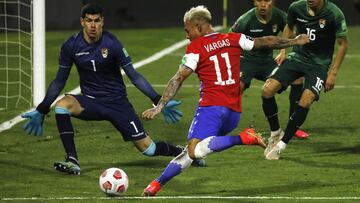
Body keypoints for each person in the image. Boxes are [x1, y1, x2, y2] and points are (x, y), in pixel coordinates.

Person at [141, 5, 309, 196]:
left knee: (195, 150)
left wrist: (159, 106)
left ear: (199, 27)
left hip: (211, 108)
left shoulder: (195, 47)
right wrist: (294, 41)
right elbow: (266, 42)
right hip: (233, 112)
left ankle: (245, 137)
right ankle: (156, 184)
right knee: (193, 150)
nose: (187, 35)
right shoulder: (232, 39)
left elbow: (178, 78)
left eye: (187, 30)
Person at [21, 3, 195, 175]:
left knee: (148, 149)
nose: (93, 25)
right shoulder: (71, 45)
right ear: (82, 22)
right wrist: (42, 109)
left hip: (117, 103)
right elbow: (59, 81)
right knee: (62, 105)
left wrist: (158, 100)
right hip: (91, 102)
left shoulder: (112, 44)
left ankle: (187, 154)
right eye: (89, 21)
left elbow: (134, 76)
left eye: (97, 20)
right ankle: (72, 160)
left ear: (102, 21)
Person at [263, 0, 348, 160]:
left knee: (306, 100)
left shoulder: (334, 14)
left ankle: (281, 145)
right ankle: (275, 133)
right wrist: (283, 50)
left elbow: (343, 44)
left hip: (319, 65)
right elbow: (288, 27)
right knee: (267, 90)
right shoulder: (296, 8)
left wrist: (333, 73)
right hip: (297, 58)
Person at [230, 0, 309, 140]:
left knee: (297, 77)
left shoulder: (279, 16)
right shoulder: (245, 19)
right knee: (236, 87)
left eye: (266, 0)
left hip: (267, 62)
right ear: (254, 2)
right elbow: (230, 38)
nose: (263, 4)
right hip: (246, 61)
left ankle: (294, 125)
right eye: (259, 0)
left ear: (272, 2)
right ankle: (226, 123)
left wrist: (283, 51)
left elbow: (291, 29)